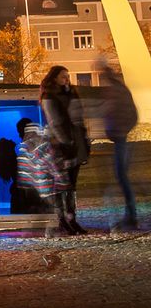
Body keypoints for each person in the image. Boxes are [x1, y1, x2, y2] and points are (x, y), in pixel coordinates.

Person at [40, 65, 90, 235]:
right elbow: (55, 122)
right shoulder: (49, 96)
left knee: (72, 186)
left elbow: (78, 117)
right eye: (63, 76)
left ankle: (72, 219)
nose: (67, 79)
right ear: (54, 78)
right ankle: (62, 219)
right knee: (63, 185)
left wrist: (82, 143)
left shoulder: (69, 93)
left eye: (68, 76)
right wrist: (66, 142)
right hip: (61, 148)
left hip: (75, 145)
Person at [98, 61, 139, 231]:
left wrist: (119, 131)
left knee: (122, 178)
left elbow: (125, 113)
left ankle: (131, 216)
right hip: (119, 138)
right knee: (122, 178)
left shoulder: (116, 91)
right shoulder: (119, 89)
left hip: (120, 139)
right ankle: (130, 215)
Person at [14, 120, 66, 221]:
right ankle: (53, 225)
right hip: (41, 186)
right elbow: (50, 165)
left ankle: (44, 225)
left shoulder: (22, 149)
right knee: (48, 207)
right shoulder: (41, 149)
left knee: (37, 208)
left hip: (30, 186)